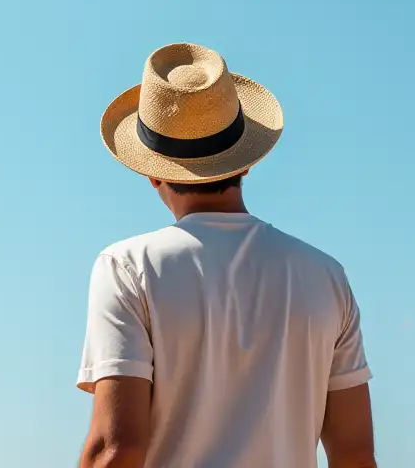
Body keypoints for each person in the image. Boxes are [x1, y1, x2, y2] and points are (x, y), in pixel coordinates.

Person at [77, 42, 377, 468]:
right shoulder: (325, 275)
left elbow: (116, 448)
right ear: (247, 161)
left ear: (150, 169)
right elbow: (354, 456)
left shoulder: (127, 268)